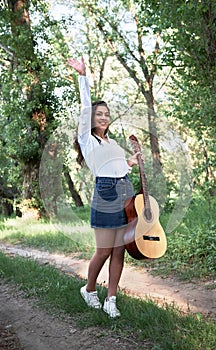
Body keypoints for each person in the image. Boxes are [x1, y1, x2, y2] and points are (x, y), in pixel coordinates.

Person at [68, 57, 140, 318]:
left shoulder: (110, 143)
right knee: (104, 250)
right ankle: (88, 289)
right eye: (99, 114)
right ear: (91, 119)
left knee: (120, 249)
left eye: (106, 114)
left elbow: (121, 167)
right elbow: (86, 106)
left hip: (125, 192)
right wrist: (83, 76)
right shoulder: (86, 140)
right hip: (106, 194)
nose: (103, 117)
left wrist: (133, 159)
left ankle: (111, 298)